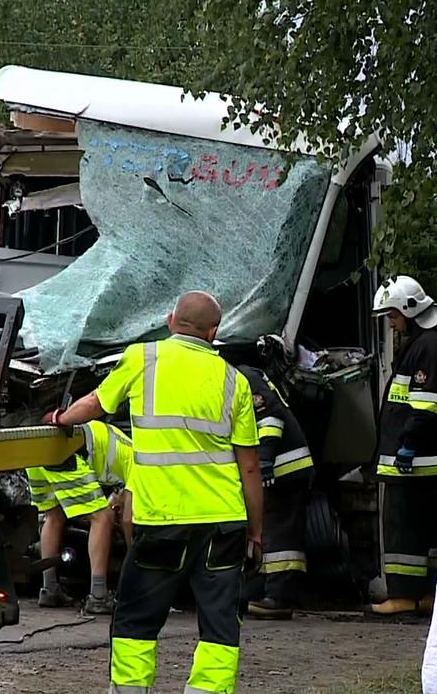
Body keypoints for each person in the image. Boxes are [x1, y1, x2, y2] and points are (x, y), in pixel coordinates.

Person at [47, 291, 263, 694]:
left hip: (161, 520)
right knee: (219, 624)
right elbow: (249, 466)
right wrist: (255, 532)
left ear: (170, 320)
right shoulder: (235, 381)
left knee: (136, 620)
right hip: (222, 523)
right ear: (214, 333)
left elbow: (96, 403)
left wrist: (61, 418)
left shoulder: (142, 358)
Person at [370, 275, 437, 615]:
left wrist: (407, 445)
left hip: (413, 458)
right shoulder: (429, 343)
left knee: (402, 526)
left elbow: (427, 405)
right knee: (429, 525)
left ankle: (403, 595)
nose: (392, 325)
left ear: (410, 311)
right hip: (422, 458)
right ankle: (431, 593)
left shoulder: (426, 347)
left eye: (393, 317)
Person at [238, 364, 313, 621]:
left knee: (281, 534)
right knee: (270, 530)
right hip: (279, 467)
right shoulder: (244, 375)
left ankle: (280, 598)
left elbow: (269, 416)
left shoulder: (242, 376)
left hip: (286, 467)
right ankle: (264, 590)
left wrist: (266, 459)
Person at [26, 421, 122, 614]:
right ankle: (99, 596)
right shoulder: (139, 466)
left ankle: (50, 589)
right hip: (68, 451)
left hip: (35, 446)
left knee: (54, 516)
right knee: (102, 517)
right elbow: (127, 516)